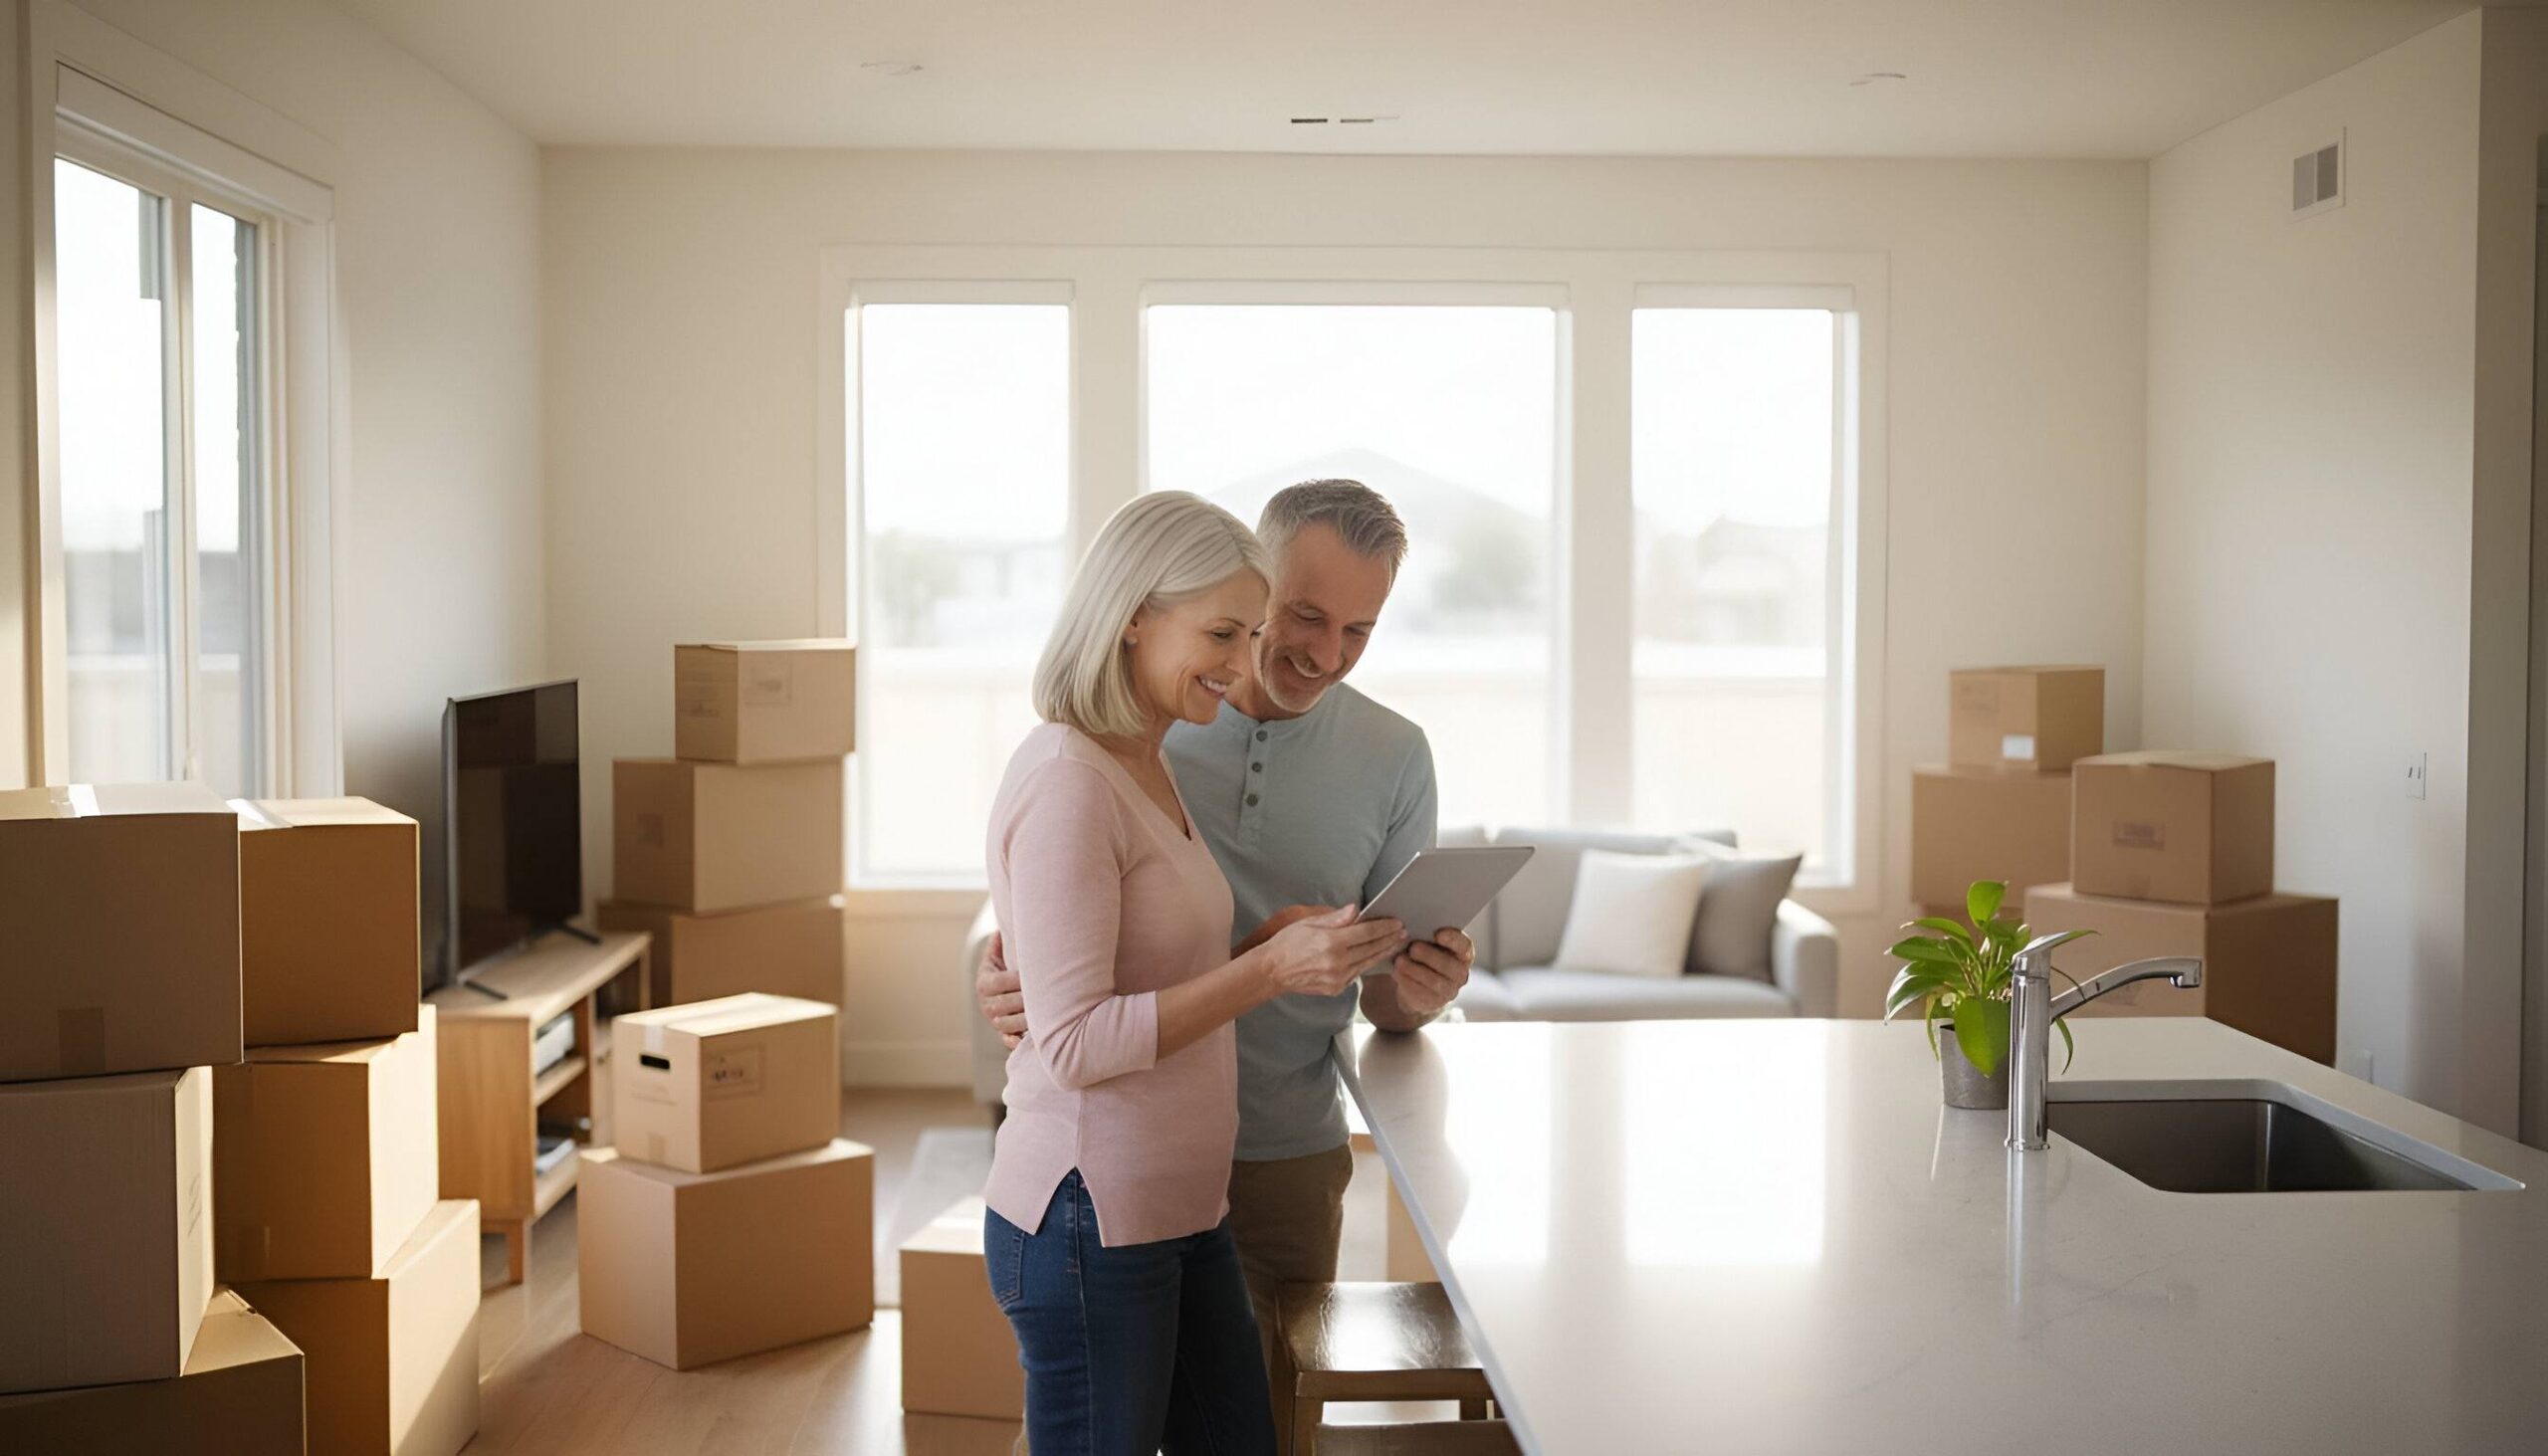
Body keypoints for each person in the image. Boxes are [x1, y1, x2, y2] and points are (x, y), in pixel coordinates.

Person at [979, 480, 1479, 1397]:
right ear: (1250, 577)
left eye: (1359, 631)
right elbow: (1050, 897)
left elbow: (1383, 997)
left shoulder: (1393, 755)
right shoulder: (1145, 724)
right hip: (1118, 1160)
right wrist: (1007, 963)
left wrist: (1421, 988)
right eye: (1301, 614)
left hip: (1283, 1150)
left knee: (1260, 1426)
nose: (1326, 654)